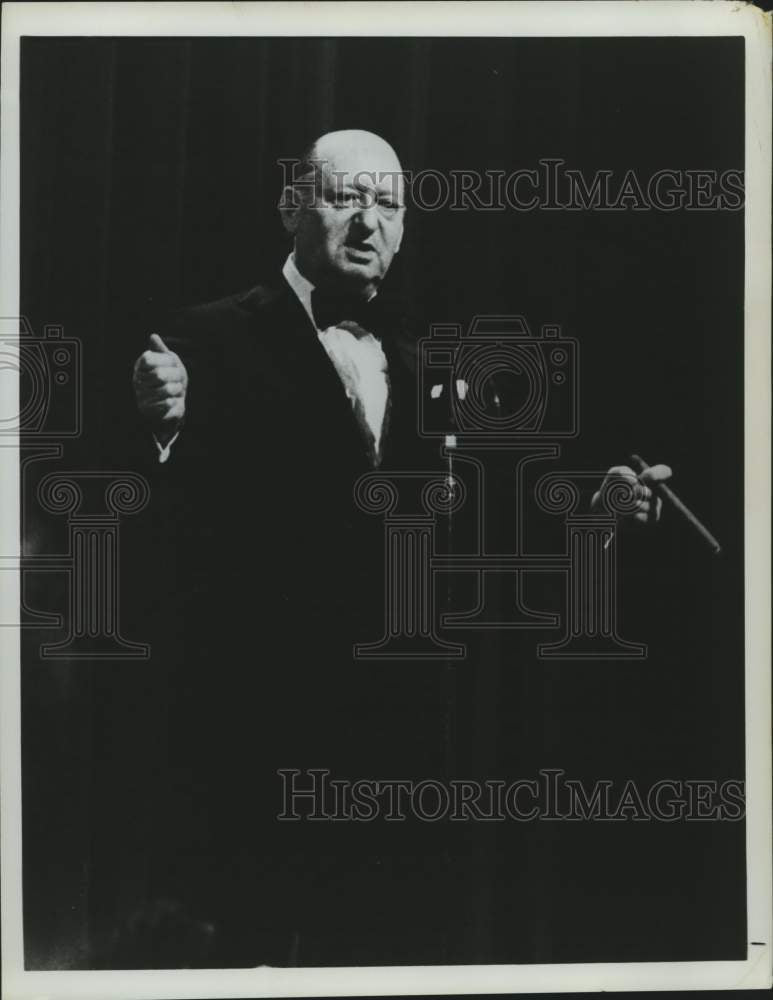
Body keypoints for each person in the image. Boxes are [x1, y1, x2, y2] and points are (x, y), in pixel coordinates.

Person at [130, 129, 672, 966]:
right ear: (290, 209)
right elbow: (147, 515)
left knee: (381, 951)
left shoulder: (422, 359)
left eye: (387, 204)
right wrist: (160, 428)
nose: (367, 222)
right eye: (346, 197)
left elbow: (473, 524)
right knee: (254, 954)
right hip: (259, 732)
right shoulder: (203, 339)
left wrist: (593, 513)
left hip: (397, 737)